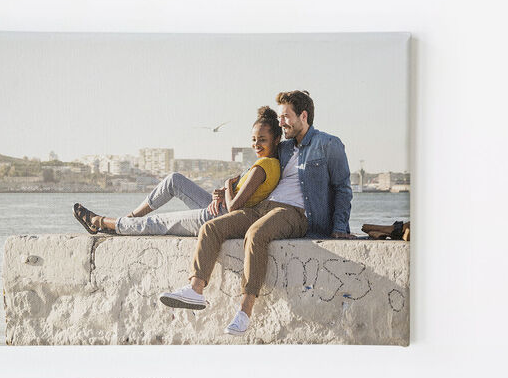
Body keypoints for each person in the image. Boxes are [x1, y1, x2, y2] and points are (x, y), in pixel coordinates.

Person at [159, 90, 353, 336]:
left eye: (285, 117)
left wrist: (339, 228)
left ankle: (244, 311)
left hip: (297, 213)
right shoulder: (282, 148)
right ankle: (195, 290)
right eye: (280, 118)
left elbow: (342, 188)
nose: (281, 122)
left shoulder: (328, 144)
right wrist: (225, 189)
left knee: (256, 234)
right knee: (212, 227)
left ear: (303, 116)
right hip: (263, 207)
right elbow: (254, 171)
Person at [73, 106, 283, 237]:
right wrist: (222, 193)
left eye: (262, 140)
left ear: (276, 140)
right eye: (254, 139)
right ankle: (130, 218)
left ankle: (98, 222)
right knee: (174, 180)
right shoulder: (268, 164)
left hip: (219, 218)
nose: (256, 144)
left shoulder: (262, 167)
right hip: (217, 208)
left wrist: (228, 185)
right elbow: (239, 198)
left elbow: (234, 207)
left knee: (156, 223)